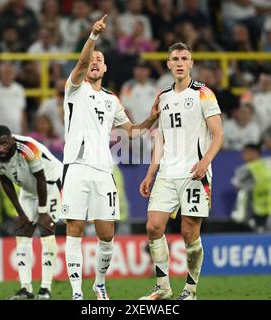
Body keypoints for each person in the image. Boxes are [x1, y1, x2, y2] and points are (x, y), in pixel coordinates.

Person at [62, 15, 159, 300]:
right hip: (77, 167)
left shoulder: (112, 99)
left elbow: (132, 131)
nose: (94, 61)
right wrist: (93, 36)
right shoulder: (74, 88)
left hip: (104, 171)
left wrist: (152, 118)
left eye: (99, 59)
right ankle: (77, 292)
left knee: (106, 234)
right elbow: (80, 63)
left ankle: (99, 283)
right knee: (75, 229)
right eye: (91, 58)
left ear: (104, 68)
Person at [139, 42, 223, 300]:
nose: (178, 62)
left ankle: (190, 289)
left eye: (183, 58)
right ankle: (163, 287)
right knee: (153, 227)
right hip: (166, 173)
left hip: (194, 173)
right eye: (174, 58)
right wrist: (150, 173)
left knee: (189, 233)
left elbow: (218, 134)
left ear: (191, 63)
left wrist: (205, 162)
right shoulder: (162, 97)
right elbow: (160, 138)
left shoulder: (203, 93)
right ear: (167, 64)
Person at [0, 125, 63, 300]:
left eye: (4, 144)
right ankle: (26, 288)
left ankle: (45, 289)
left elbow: (41, 179)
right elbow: (5, 181)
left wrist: (43, 211)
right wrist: (20, 213)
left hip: (49, 184)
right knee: (22, 232)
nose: (1, 149)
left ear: (11, 140)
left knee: (46, 231)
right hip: (28, 191)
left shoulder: (28, 148)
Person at [230, 144, 271, 233]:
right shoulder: (270, 165)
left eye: (246, 153)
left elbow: (237, 185)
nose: (243, 156)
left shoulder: (246, 169)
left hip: (254, 213)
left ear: (254, 153)